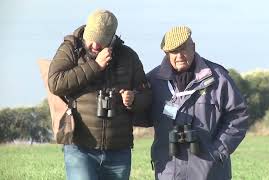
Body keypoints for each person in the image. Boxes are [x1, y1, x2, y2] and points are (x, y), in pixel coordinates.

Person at [48, 9, 151, 180]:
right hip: (80, 148)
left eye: (102, 41)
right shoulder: (71, 48)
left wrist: (133, 99)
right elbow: (55, 82)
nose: (95, 45)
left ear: (112, 38)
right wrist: (95, 66)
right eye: (92, 40)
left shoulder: (128, 56)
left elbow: (146, 94)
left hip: (118, 150)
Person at [147, 26, 249, 180]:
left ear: (193, 47)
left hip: (210, 170)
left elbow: (238, 115)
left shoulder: (218, 78)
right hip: (168, 170)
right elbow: (141, 117)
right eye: (174, 51)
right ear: (166, 53)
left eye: (184, 49)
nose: (179, 55)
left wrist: (218, 150)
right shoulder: (154, 80)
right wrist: (131, 102)